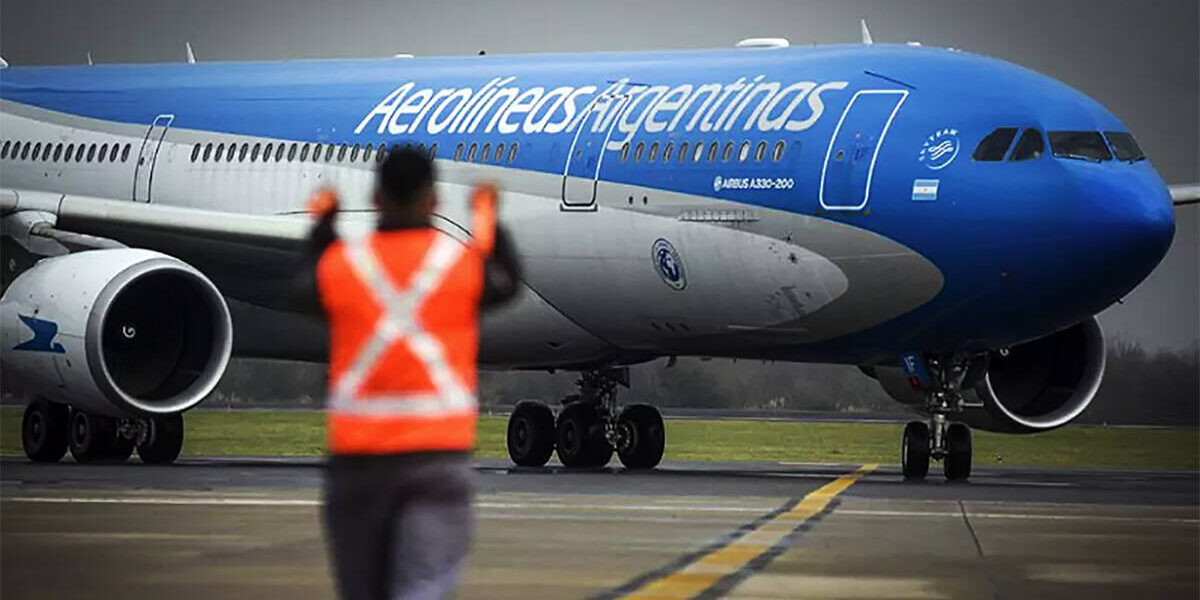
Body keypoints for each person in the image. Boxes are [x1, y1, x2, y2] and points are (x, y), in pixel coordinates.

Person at [305, 147, 520, 600]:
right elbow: (506, 279)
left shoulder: (344, 264)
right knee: (424, 585)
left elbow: (308, 281)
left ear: (375, 198)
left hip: (359, 460)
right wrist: (488, 217)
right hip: (437, 456)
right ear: (434, 200)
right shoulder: (459, 263)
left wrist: (323, 224)